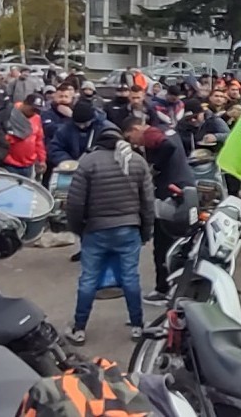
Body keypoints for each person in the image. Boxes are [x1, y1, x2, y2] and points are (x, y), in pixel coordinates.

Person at [64, 127, 155, 345]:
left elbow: (75, 203)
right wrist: (145, 231)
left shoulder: (87, 162)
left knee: (88, 279)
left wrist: (78, 229)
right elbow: (148, 203)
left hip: (96, 229)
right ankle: (137, 326)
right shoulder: (136, 161)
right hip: (129, 228)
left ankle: (79, 328)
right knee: (130, 278)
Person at [122, 117, 196, 305]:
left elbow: (167, 147)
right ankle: (178, 286)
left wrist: (154, 169)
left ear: (137, 128)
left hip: (170, 195)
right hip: (185, 188)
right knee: (182, 242)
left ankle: (164, 289)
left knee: (164, 244)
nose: (133, 143)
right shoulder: (168, 129)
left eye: (131, 137)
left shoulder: (152, 134)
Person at [48, 101, 116, 167]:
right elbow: (55, 148)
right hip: (72, 166)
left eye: (85, 123)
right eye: (78, 124)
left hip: (98, 167)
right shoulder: (65, 129)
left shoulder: (106, 129)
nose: (81, 126)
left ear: (92, 119)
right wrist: (66, 161)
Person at [3, 94, 46, 178]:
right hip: (10, 164)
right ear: (25, 104)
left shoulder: (36, 118)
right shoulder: (9, 113)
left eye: (37, 110)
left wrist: (42, 159)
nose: (34, 112)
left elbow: (38, 140)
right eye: (33, 109)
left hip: (28, 165)